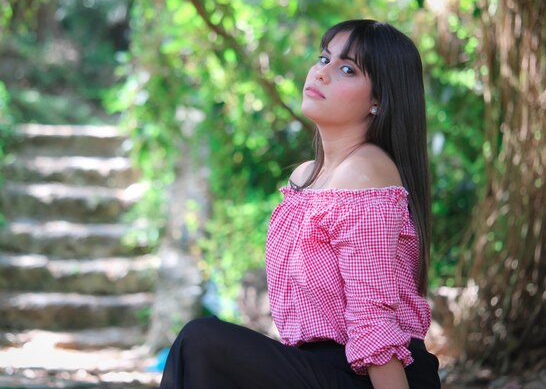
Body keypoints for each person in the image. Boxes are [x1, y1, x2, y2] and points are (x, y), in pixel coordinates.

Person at [159, 19, 441, 389]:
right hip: (315, 369)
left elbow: (373, 321)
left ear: (379, 101)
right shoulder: (305, 178)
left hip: (373, 377)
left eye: (347, 69)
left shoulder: (366, 173)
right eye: (323, 58)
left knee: (202, 342)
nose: (322, 73)